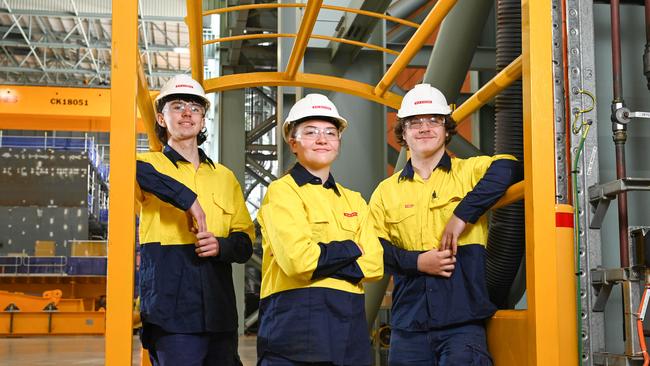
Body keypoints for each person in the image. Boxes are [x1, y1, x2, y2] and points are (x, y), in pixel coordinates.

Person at [369, 83, 523, 365]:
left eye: (434, 120)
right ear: (403, 132)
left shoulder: (468, 172)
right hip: (408, 328)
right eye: (415, 122)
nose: (425, 127)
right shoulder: (386, 191)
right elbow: (374, 248)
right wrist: (418, 262)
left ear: (447, 128)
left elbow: (510, 167)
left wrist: (462, 214)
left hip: (463, 326)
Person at [135, 74, 255, 366]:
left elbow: (245, 243)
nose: (187, 113)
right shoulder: (148, 165)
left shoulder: (224, 177)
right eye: (177, 106)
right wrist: (188, 200)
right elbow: (125, 168)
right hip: (170, 312)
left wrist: (220, 246)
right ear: (162, 119)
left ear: (203, 121)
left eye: (195, 108)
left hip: (219, 311)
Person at [256, 93, 384, 365]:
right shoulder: (282, 192)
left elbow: (375, 265)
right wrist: (351, 249)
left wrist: (322, 258)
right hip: (294, 322)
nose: (322, 139)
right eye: (310, 132)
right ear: (293, 142)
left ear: (338, 141)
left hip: (349, 324)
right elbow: (298, 262)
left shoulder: (354, 200)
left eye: (330, 132)